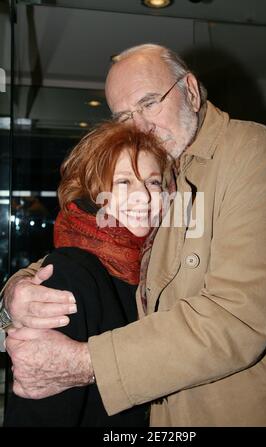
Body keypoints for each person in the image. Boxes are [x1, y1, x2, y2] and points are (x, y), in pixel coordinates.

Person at [2, 44, 266, 426]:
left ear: (190, 91)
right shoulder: (157, 169)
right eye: (123, 115)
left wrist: (85, 363)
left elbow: (236, 317)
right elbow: (92, 244)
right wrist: (16, 290)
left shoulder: (250, 152)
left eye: (148, 103)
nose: (138, 126)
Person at [4, 120, 168, 426]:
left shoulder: (163, 266)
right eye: (123, 182)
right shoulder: (67, 274)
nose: (143, 196)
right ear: (92, 193)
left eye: (154, 182)